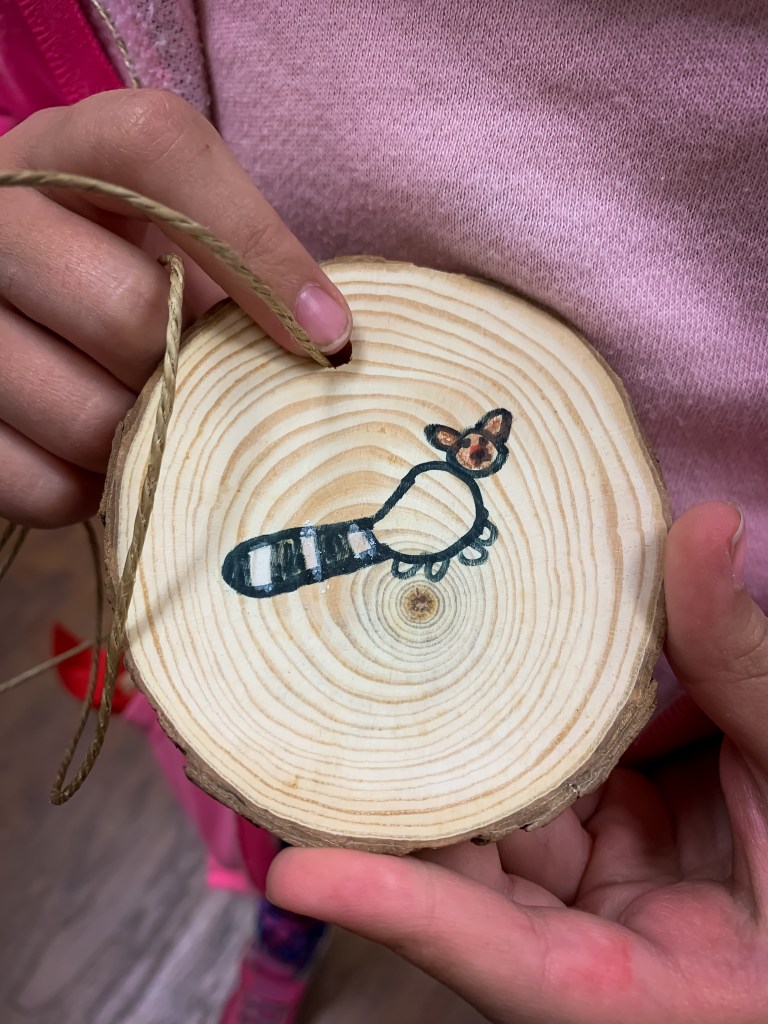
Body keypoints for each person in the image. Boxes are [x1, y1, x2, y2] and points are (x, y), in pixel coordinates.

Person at [1, 3, 766, 1022]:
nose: (481, 454)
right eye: (475, 449)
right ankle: (279, 930)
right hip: (236, 619)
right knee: (278, 827)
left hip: (695, 717)